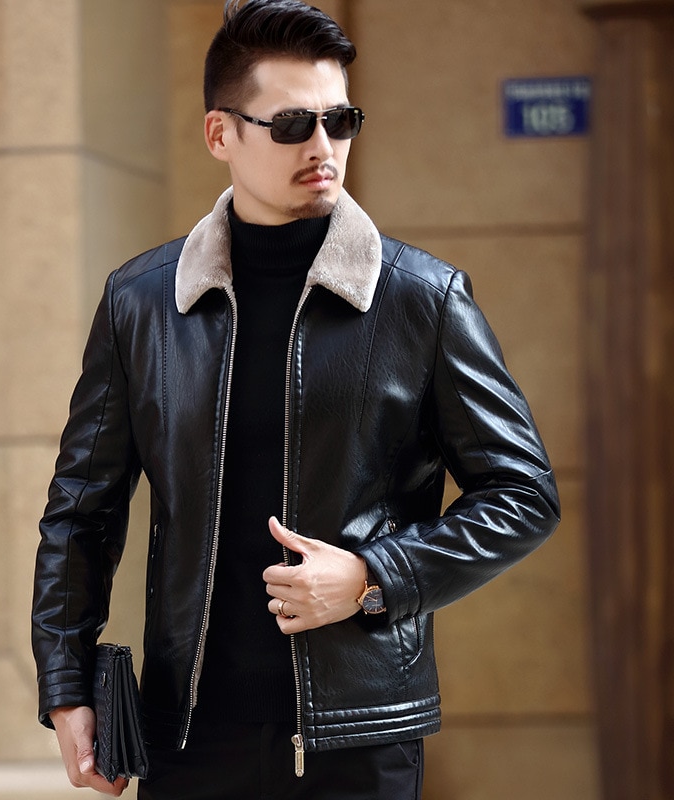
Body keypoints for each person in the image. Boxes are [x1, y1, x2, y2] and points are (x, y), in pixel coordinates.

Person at [31, 1, 560, 798]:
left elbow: (524, 494)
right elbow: (81, 509)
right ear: (220, 134)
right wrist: (67, 686)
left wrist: (374, 574)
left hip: (359, 743)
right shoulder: (142, 304)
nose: (323, 147)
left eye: (339, 121)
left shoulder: (421, 299)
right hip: (188, 739)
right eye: (291, 125)